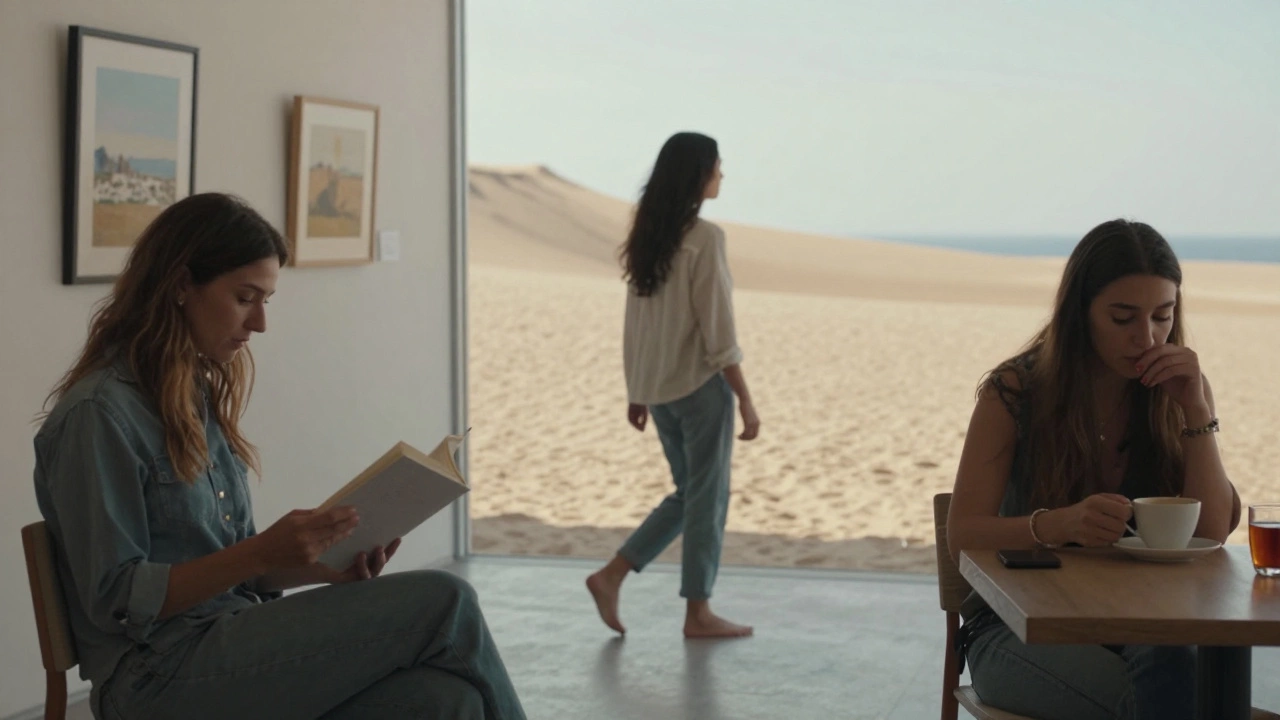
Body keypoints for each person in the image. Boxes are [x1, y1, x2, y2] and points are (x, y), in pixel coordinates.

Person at [33, 193, 526, 720]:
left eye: (266, 299)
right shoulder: (98, 415)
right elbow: (116, 598)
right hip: (155, 679)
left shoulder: (192, 397)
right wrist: (261, 552)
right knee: (447, 601)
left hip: (223, 645)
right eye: (246, 298)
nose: (260, 323)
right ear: (180, 285)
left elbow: (232, 573)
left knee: (449, 701)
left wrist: (318, 569)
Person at [947, 219, 1242, 720]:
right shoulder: (1015, 392)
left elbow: (1211, 532)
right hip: (1016, 626)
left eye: (1162, 316)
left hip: (1141, 620)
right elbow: (963, 534)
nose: (1146, 338)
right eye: (1123, 318)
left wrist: (1196, 413)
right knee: (1186, 702)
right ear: (1079, 313)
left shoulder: (1178, 391)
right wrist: (1054, 525)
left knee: (1190, 677)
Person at [585, 131, 760, 639]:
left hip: (658, 391)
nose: (722, 174)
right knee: (708, 499)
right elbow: (718, 328)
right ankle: (697, 613)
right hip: (700, 389)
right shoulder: (705, 238)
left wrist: (636, 389)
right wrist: (745, 398)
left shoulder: (649, 234)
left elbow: (636, 321)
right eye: (717, 165)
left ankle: (612, 574)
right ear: (698, 173)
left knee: (690, 494)